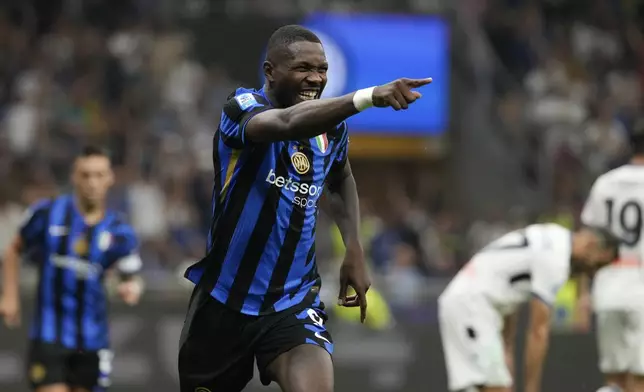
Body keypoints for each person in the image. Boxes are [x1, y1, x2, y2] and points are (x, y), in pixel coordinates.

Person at [178, 24, 432, 392]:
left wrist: (355, 249)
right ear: (270, 72)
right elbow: (285, 123)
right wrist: (367, 97)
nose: (315, 79)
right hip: (222, 301)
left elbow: (342, 180)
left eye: (322, 70)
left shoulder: (331, 129)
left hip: (291, 302)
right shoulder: (241, 108)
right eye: (303, 69)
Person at [0, 146, 144, 392]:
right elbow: (14, 250)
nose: (92, 183)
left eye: (99, 175)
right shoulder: (47, 214)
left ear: (110, 179)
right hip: (49, 336)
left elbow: (131, 274)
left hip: (94, 340)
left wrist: (131, 288)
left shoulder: (120, 231)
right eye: (86, 175)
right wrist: (10, 296)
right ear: (74, 177)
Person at [438, 223, 619, 392]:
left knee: (484, 385)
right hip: (473, 306)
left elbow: (510, 283)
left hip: (471, 302)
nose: (593, 272)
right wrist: (532, 389)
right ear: (590, 244)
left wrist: (506, 347)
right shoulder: (556, 261)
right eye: (598, 264)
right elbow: (537, 332)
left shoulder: (554, 234)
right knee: (495, 387)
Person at [581, 119, 644, 392]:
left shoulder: (605, 183)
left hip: (608, 283)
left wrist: (584, 292)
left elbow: (587, 242)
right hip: (641, 283)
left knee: (614, 379)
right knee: (640, 379)